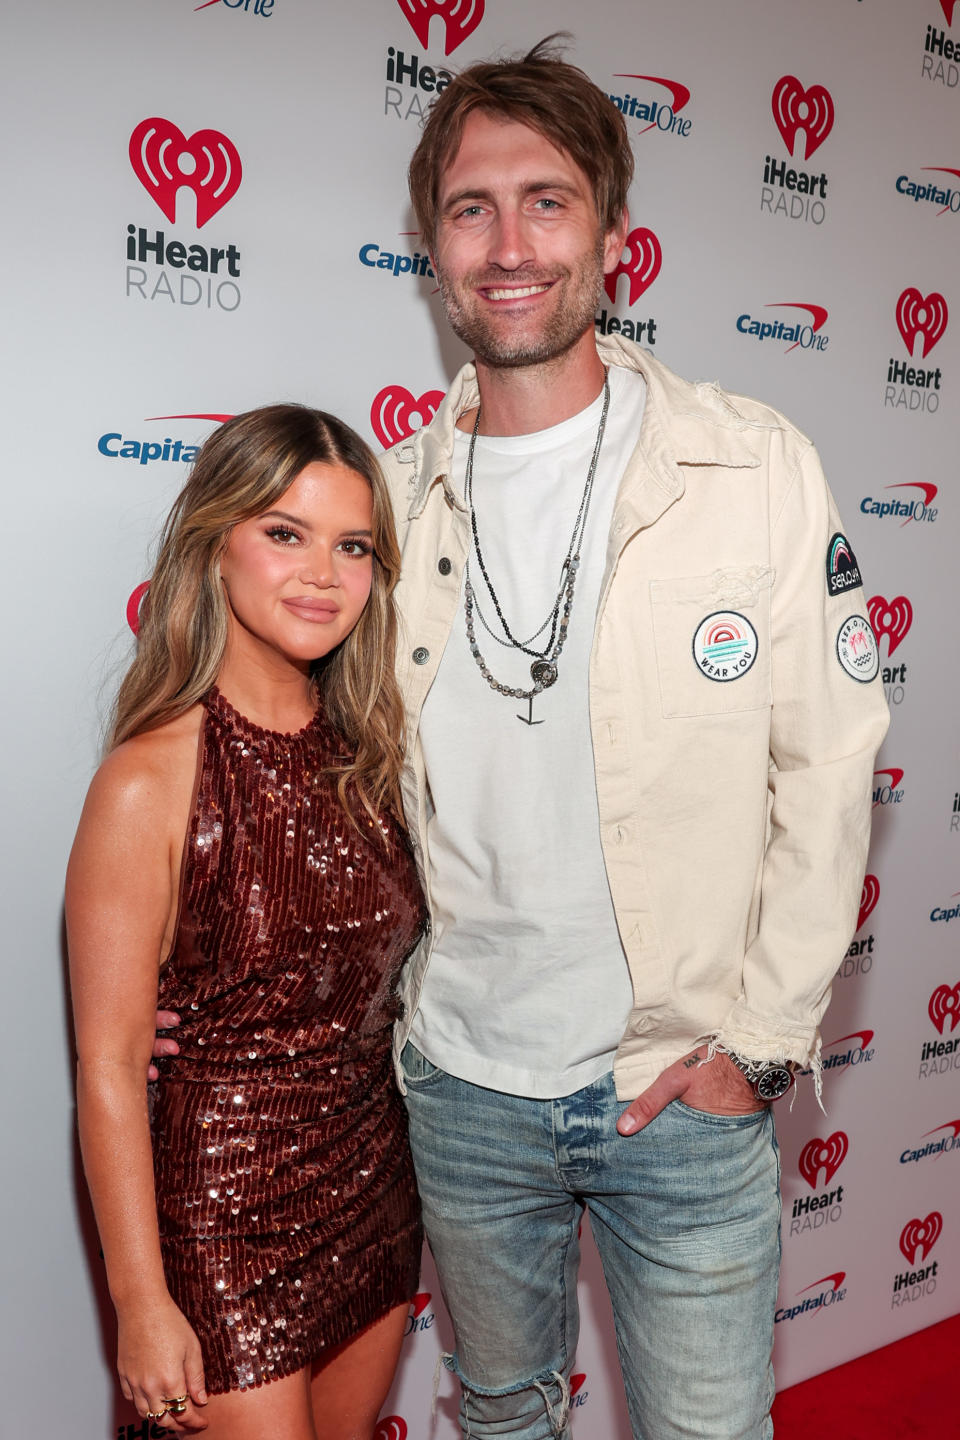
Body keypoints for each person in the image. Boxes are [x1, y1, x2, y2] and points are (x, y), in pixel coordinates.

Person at [372, 37, 888, 1440]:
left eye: (547, 200)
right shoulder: (392, 499)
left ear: (612, 232)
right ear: (432, 245)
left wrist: (764, 1044)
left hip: (681, 1087)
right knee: (501, 1414)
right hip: (467, 1082)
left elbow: (832, 762)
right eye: (471, 208)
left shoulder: (748, 461)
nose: (509, 244)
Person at [67, 405, 425, 1440]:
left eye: (352, 545)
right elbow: (108, 1061)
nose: (323, 573)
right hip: (221, 1214)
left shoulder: (376, 761)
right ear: (212, 546)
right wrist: (141, 1302)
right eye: (284, 532)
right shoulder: (152, 777)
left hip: (371, 1184)